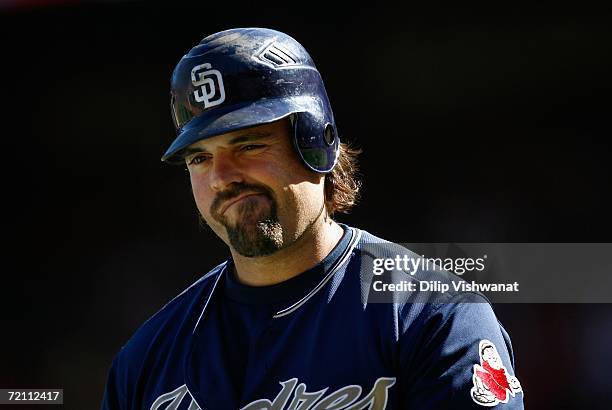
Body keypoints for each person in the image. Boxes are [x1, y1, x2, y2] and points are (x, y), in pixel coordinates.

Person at [101, 27, 524, 409]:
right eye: (199, 158)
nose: (222, 177)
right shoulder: (145, 361)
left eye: (248, 145)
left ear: (316, 142)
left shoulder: (430, 315)